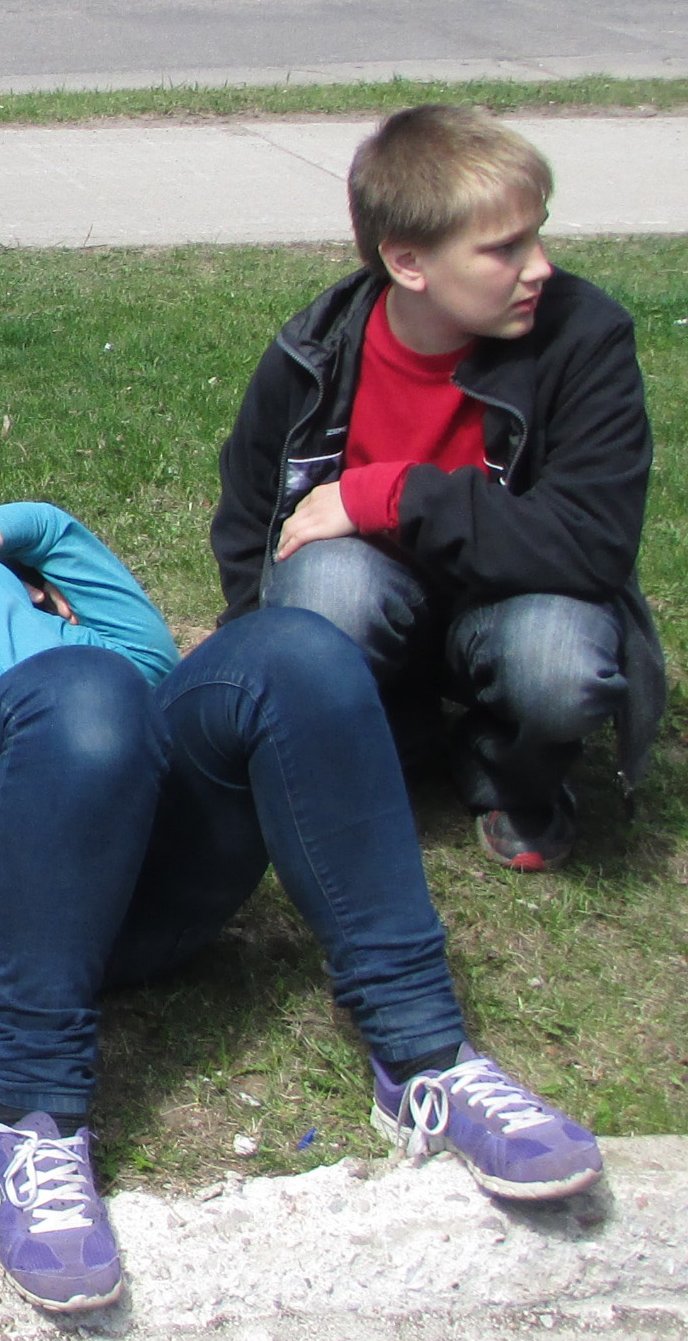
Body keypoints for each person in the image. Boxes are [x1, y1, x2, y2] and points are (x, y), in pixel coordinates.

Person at [0, 440, 604, 1314]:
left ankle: (425, 1055)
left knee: (296, 650)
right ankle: (36, 1114)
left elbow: (147, 658)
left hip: (136, 853)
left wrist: (33, 527)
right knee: (81, 695)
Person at [212, 104, 663, 872]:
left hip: (521, 603)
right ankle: (386, 730)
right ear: (408, 263)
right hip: (379, 599)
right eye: (505, 249)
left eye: (538, 232)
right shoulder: (313, 349)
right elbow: (253, 518)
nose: (541, 266)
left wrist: (391, 495)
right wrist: (256, 667)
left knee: (561, 664)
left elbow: (592, 543)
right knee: (321, 588)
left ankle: (504, 764)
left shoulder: (585, 339)